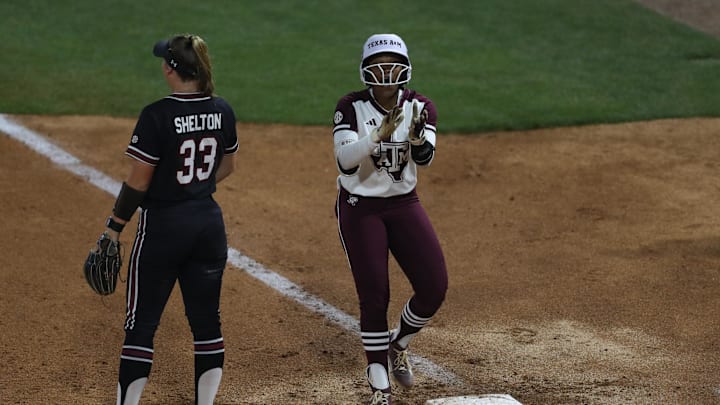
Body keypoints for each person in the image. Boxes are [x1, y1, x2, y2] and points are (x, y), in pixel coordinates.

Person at [93, 34, 238, 405]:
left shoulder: (157, 114)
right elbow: (227, 166)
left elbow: (138, 181)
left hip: (164, 228)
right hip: (208, 226)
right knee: (207, 324)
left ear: (172, 69)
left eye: (165, 60)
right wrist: (195, 186)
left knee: (140, 326)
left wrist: (113, 228)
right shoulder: (222, 108)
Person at [332, 33, 448, 405]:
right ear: (367, 69)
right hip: (360, 207)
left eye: (393, 64)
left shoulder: (421, 106)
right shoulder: (350, 106)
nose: (387, 71)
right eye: (379, 64)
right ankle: (379, 384)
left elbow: (426, 158)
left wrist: (416, 141)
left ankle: (399, 343)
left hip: (403, 203)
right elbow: (344, 160)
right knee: (374, 295)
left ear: (405, 68)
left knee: (434, 286)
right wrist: (375, 138)